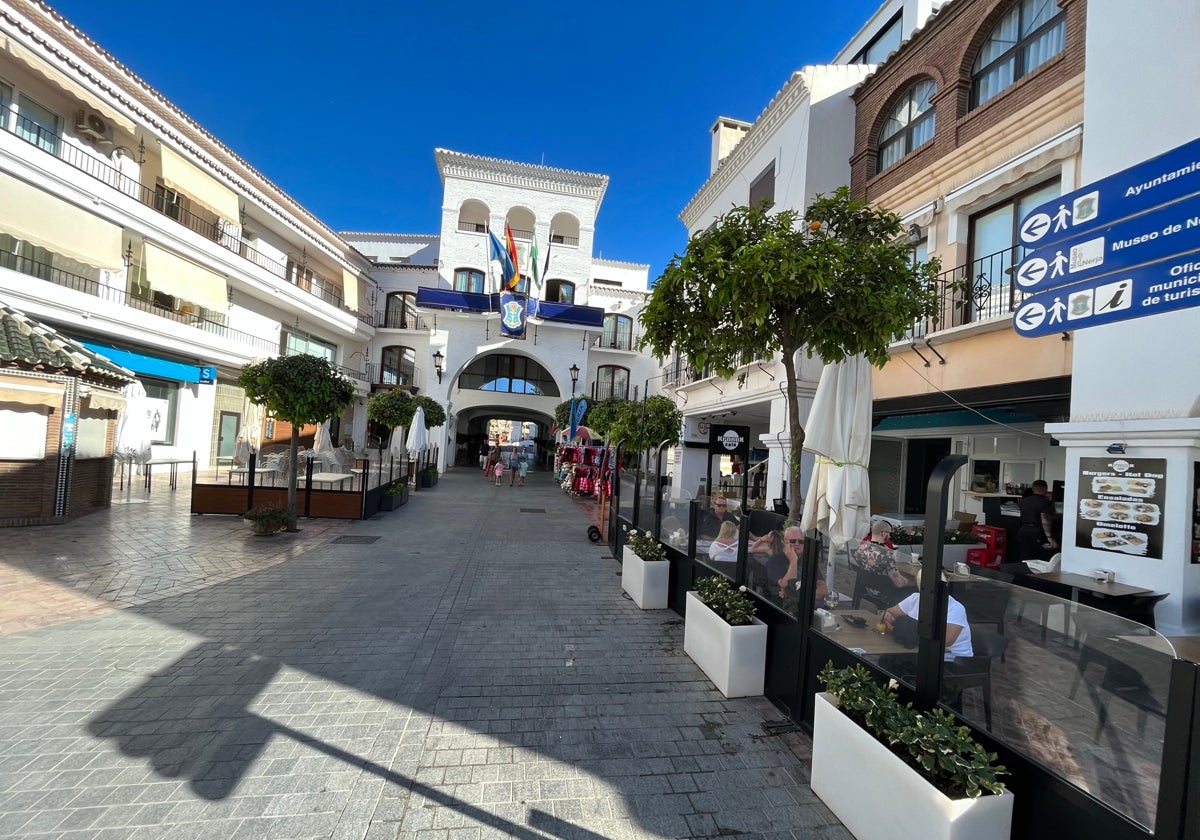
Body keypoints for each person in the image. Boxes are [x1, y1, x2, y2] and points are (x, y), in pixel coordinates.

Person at [882, 572, 973, 661]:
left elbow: (946, 641)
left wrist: (899, 630)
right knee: (885, 661)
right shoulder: (914, 599)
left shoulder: (955, 608)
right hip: (922, 654)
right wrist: (887, 618)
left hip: (953, 661)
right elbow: (889, 612)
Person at [771, 526, 828, 603]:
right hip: (785, 607)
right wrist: (793, 561)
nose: (797, 544)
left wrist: (795, 594)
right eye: (793, 541)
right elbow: (785, 584)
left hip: (809, 606)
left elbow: (823, 590)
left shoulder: (808, 560)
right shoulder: (775, 560)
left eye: (801, 541)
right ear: (785, 542)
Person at [1017, 480, 1058, 563]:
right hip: (1037, 532)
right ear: (1046, 488)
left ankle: (1021, 574)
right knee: (1039, 559)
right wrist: (1049, 537)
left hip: (1023, 530)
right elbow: (1045, 520)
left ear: (1033, 488)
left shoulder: (1024, 501)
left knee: (1025, 557)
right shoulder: (1046, 502)